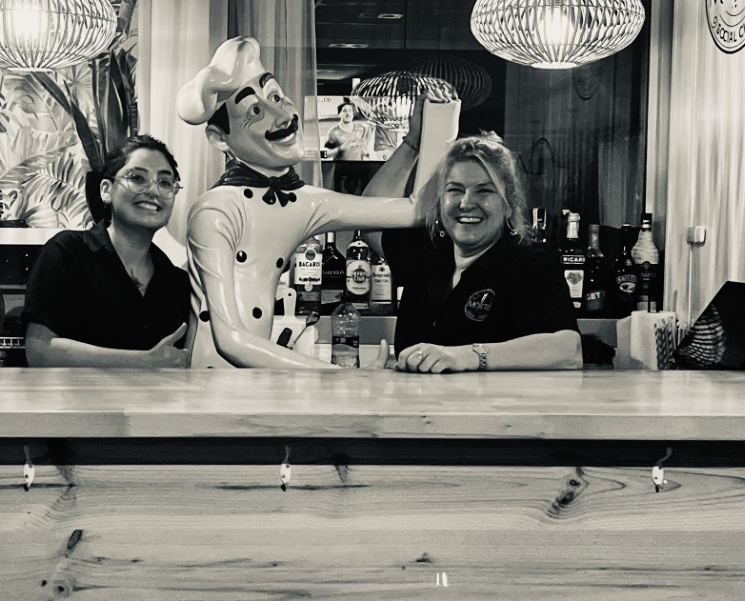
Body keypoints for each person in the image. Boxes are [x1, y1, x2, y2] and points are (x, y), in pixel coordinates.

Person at [176, 36, 455, 369]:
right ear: (219, 139)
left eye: (276, 96)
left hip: (254, 376)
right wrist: (336, 377)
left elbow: (416, 211)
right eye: (255, 111)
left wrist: (423, 137)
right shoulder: (216, 212)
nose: (282, 115)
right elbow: (230, 340)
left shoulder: (303, 202)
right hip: (208, 376)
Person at [382, 133, 582, 372]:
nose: (466, 203)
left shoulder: (530, 267)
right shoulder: (426, 265)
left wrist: (469, 356)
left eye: (484, 191)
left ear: (508, 205)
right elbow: (370, 213)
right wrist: (413, 140)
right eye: (455, 190)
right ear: (440, 201)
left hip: (498, 398)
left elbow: (568, 351)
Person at [22, 136, 192, 368]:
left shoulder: (176, 282)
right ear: (106, 190)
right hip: (78, 393)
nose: (154, 190)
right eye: (137, 178)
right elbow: (39, 351)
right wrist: (144, 361)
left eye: (165, 182)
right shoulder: (67, 252)